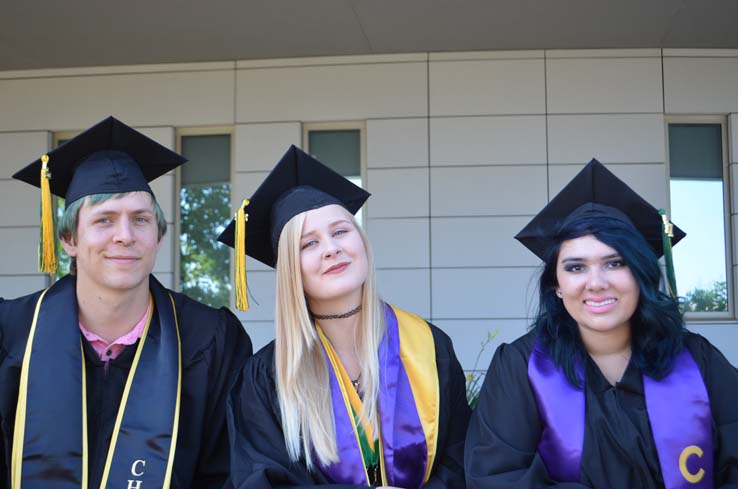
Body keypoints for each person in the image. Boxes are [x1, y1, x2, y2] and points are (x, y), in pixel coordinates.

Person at [0, 116, 252, 489]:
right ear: (69, 239)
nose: (124, 236)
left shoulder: (210, 340)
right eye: (104, 220)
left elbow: (229, 475)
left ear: (159, 236)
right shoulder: (11, 331)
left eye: (140, 219)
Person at [465, 159, 738, 488]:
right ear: (556, 285)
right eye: (576, 267)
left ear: (640, 273)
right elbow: (497, 478)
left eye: (615, 262)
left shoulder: (697, 360)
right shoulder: (520, 369)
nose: (595, 283)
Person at [220, 145, 469, 489]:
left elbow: (461, 460)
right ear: (290, 270)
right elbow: (263, 480)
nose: (331, 248)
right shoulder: (267, 378)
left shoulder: (428, 346)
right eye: (308, 244)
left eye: (340, 231)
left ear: (362, 243)